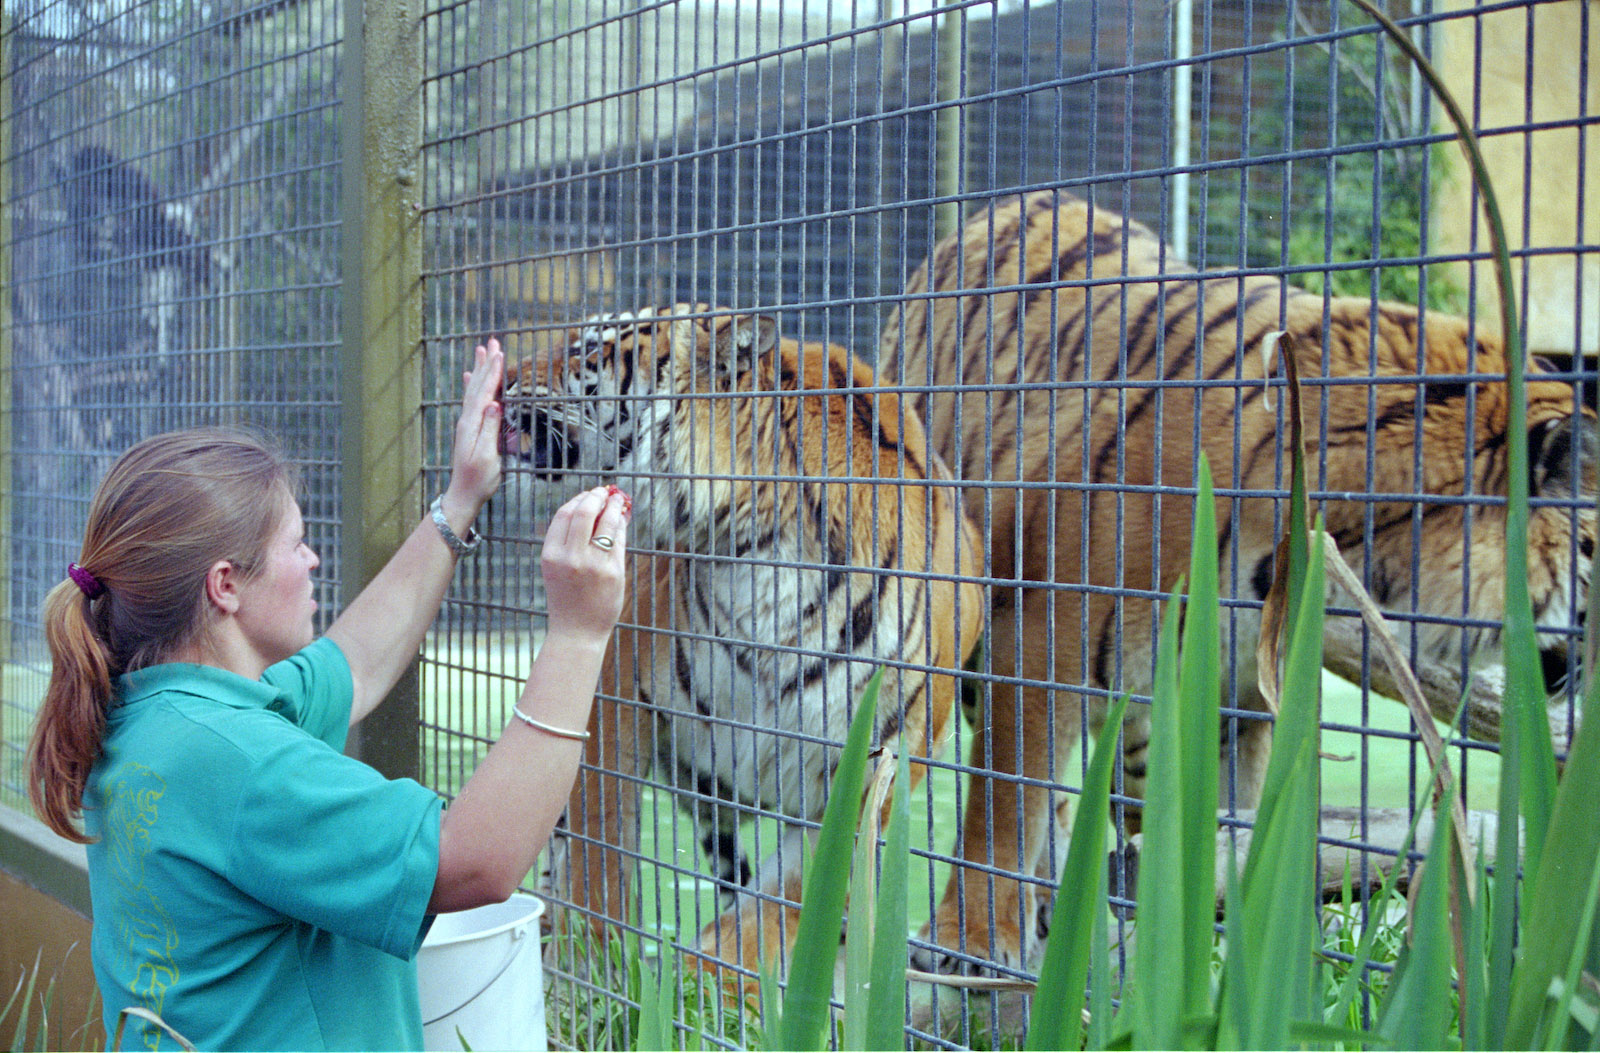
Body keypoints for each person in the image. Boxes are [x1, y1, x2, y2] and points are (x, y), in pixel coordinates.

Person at [25, 339, 630, 1051]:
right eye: (297, 542)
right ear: (226, 585)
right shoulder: (239, 763)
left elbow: (356, 663)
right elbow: (475, 859)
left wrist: (460, 498)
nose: (313, 559)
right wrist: (580, 635)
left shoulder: (156, 715)